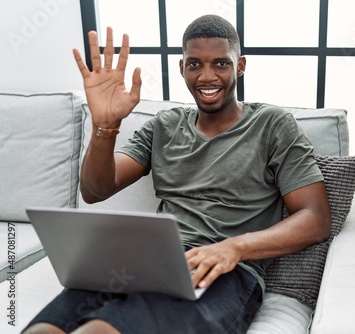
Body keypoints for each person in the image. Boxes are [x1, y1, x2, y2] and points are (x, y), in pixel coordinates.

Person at [23, 14, 330, 334]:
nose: (207, 76)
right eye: (195, 64)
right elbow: (96, 190)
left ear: (240, 66)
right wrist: (105, 126)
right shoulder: (163, 126)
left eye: (221, 64)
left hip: (223, 272)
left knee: (100, 330)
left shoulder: (273, 124)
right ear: (182, 68)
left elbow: (316, 218)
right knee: (43, 330)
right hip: (141, 262)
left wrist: (235, 247)